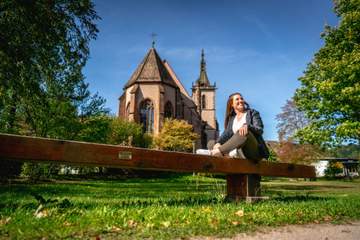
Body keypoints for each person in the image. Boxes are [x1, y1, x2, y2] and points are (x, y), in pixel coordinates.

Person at [210, 92, 269, 162]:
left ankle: (218, 152)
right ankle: (224, 153)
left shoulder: (252, 113)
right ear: (232, 104)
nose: (240, 101)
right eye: (237, 99)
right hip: (237, 151)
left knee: (243, 132)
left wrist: (247, 126)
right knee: (211, 143)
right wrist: (217, 143)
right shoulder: (232, 119)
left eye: (241, 99)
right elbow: (225, 135)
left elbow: (260, 130)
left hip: (253, 151)